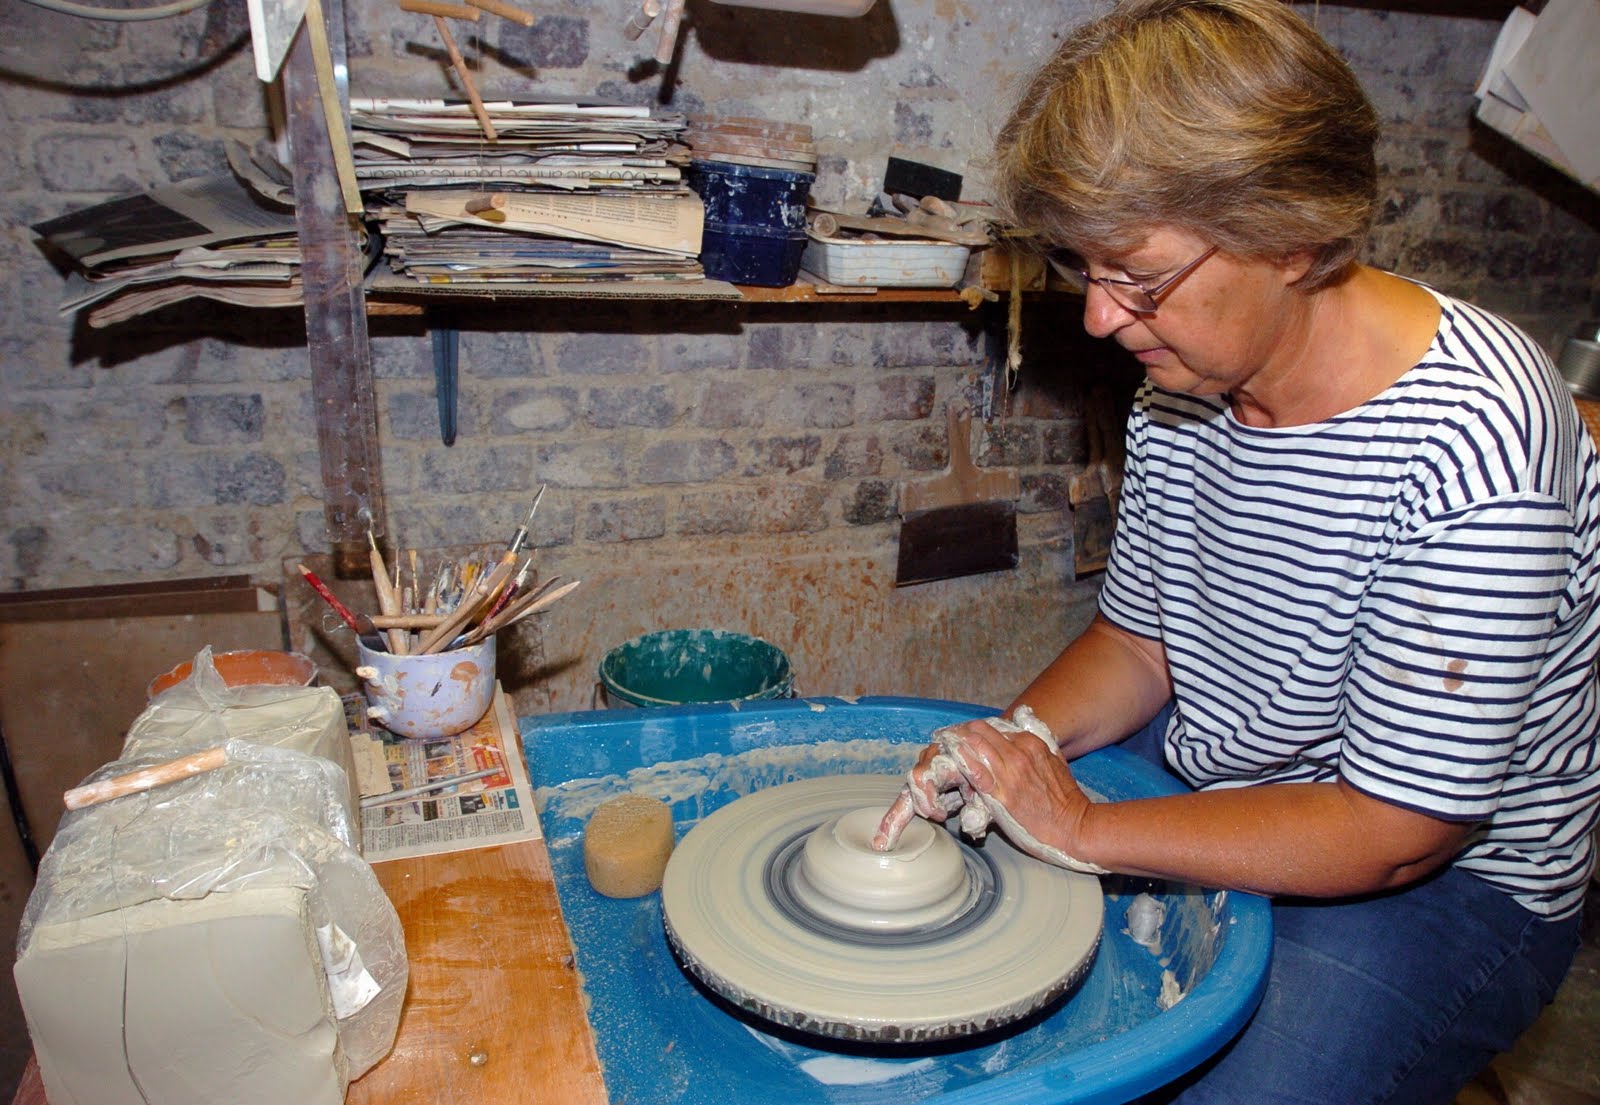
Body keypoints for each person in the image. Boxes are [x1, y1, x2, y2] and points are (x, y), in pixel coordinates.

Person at [874, 0, 1600, 1101]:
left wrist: (1086, 826)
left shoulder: (1474, 442)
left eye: (1137, 276)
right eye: (1083, 268)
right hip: (1234, 759)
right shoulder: (1185, 385)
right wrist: (1013, 741)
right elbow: (1141, 644)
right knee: (999, 997)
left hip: (1443, 871)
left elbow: (1397, 827)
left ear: (1292, 236)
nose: (1099, 320)